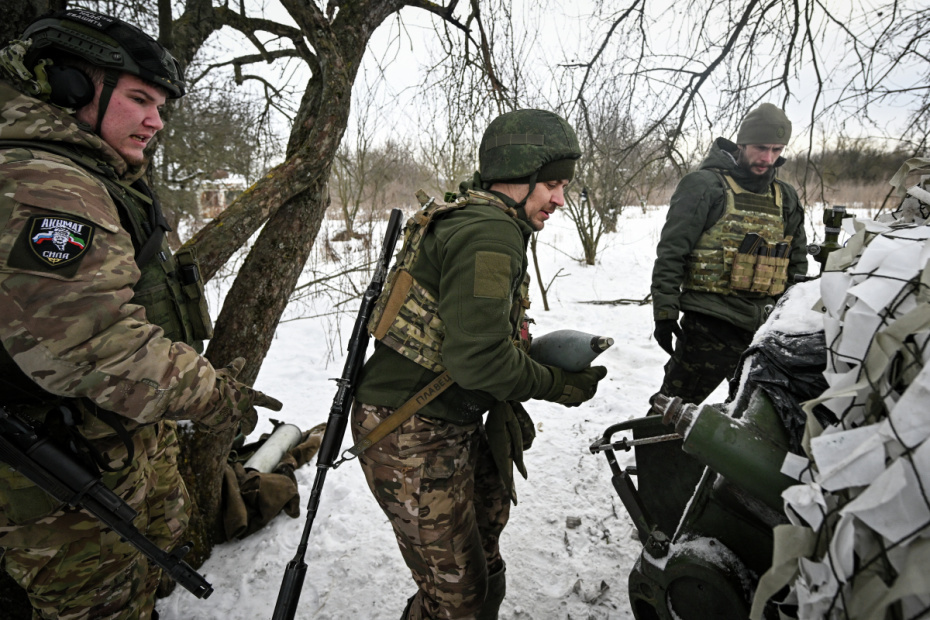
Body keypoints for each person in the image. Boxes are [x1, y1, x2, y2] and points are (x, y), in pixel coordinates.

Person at [0, 9, 279, 619]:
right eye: (138, 99)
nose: (156, 121)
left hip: (111, 446)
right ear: (71, 87)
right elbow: (88, 345)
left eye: (161, 105)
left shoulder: (90, 174)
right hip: (57, 479)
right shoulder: (42, 184)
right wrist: (214, 396)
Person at [351, 109, 608, 619]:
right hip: (411, 432)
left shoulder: (481, 215)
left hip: (454, 419)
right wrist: (557, 383)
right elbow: (479, 360)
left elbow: (478, 337)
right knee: (457, 598)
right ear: (520, 178)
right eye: (552, 185)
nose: (560, 200)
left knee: (483, 560)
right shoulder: (489, 231)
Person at [650, 103, 808, 407]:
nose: (768, 158)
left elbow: (795, 262)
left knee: (755, 419)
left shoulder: (785, 196)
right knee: (670, 414)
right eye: (761, 148)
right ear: (741, 143)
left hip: (762, 328)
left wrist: (791, 318)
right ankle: (656, 456)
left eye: (776, 150)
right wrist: (665, 313)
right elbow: (672, 252)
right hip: (709, 326)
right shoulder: (705, 186)